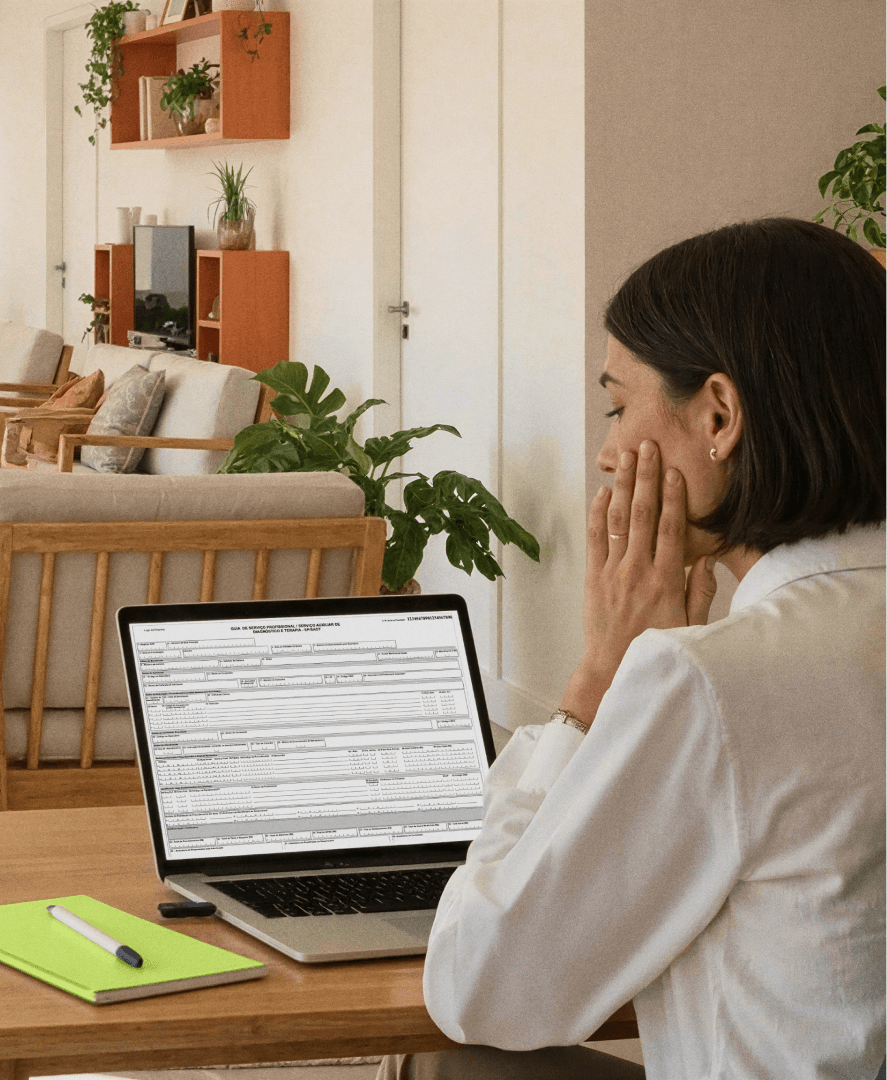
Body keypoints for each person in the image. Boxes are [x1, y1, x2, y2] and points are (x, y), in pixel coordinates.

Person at [376, 218, 887, 1079]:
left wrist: (595, 683)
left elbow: (476, 987)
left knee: (437, 1063)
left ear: (719, 414)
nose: (609, 453)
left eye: (618, 406)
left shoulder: (712, 680)